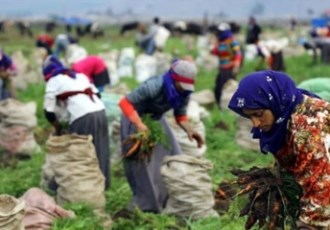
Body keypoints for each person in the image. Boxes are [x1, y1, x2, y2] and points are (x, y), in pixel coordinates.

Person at [228, 70, 330, 229]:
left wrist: (309, 225)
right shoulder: (284, 112)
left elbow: (319, 184)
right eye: (250, 117)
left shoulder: (305, 128)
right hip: (324, 165)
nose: (255, 124)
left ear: (274, 102)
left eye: (258, 114)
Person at [118, 59, 204, 213]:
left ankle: (168, 198)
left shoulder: (184, 92)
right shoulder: (154, 86)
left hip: (156, 119)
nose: (184, 90)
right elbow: (125, 103)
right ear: (173, 78)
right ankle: (144, 205)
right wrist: (139, 125)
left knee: (174, 154)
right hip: (134, 119)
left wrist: (190, 130)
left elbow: (180, 115)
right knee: (141, 163)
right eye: (181, 85)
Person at [42, 55, 111, 189]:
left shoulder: (53, 80)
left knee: (77, 152)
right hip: (100, 111)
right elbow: (98, 94)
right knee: (99, 148)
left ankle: (73, 186)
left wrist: (57, 127)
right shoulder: (79, 76)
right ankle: (103, 185)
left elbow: (48, 111)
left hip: (82, 116)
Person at [210, 22, 242, 108]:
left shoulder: (232, 41)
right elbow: (214, 52)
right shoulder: (220, 42)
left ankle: (231, 107)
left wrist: (237, 64)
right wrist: (215, 42)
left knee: (228, 88)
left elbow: (238, 53)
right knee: (218, 88)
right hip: (222, 69)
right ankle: (220, 106)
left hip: (230, 69)